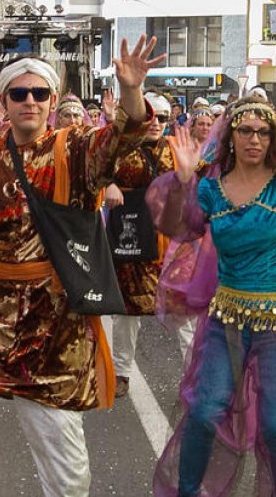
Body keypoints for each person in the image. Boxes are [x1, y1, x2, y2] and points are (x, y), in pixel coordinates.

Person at [0, 38, 163, 497]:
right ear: (2, 101)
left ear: (51, 101)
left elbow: (125, 135)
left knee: (66, 471)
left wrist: (131, 91)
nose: (29, 101)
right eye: (19, 94)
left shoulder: (77, 149)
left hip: (55, 319)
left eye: (39, 94)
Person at [147, 86, 276, 497]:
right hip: (227, 318)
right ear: (231, 137)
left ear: (274, 138)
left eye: (264, 132)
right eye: (245, 131)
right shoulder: (211, 189)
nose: (255, 139)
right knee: (205, 412)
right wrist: (183, 181)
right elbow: (176, 226)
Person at [104, 93, 177, 399]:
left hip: (172, 241)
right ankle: (121, 372)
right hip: (132, 235)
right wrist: (108, 183)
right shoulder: (120, 150)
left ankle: (198, 378)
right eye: (149, 117)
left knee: (186, 308)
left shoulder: (177, 149)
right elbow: (95, 171)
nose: (155, 123)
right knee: (127, 310)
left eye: (162, 118)